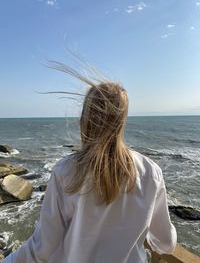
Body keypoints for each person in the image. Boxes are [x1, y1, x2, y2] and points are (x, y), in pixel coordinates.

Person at [1, 68, 177, 263]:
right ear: (122, 121)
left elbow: (42, 248)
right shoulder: (151, 173)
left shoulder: (65, 171)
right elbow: (166, 244)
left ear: (84, 119)